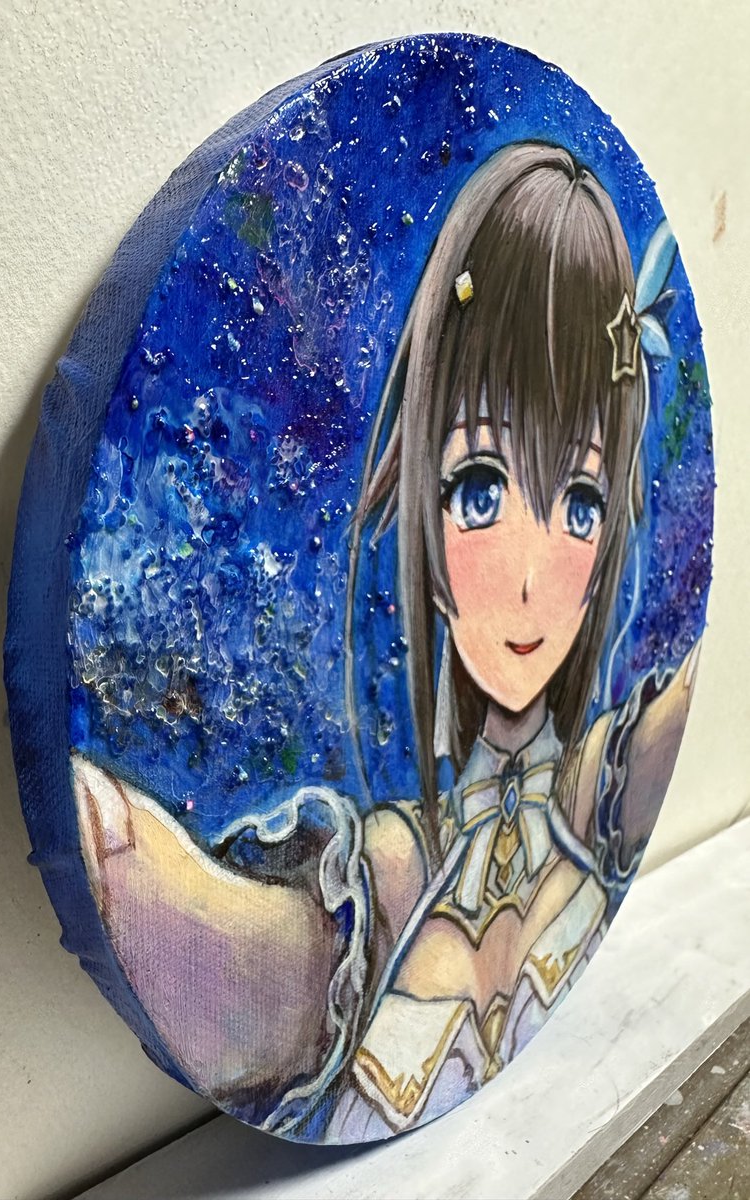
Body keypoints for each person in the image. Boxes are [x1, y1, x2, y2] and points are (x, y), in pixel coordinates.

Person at [71, 141, 700, 1142]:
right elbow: (255, 976)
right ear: (423, 512)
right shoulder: (390, 877)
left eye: (580, 503)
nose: (531, 579)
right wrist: (124, 856)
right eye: (481, 491)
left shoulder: (600, 790)